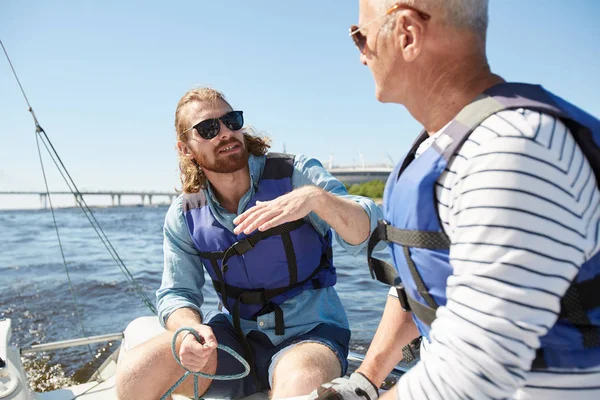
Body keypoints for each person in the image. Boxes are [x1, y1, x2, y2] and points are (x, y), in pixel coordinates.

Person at [310, 1, 600, 399]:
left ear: (407, 34)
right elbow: (421, 287)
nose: (361, 55)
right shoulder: (444, 146)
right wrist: (362, 383)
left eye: (360, 36)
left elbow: (477, 372)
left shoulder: (511, 151)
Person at [114, 87, 382, 400]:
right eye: (208, 128)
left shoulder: (297, 174)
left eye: (232, 121)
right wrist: (188, 329)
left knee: (299, 383)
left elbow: (365, 229)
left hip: (310, 334)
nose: (225, 133)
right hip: (232, 340)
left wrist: (317, 199)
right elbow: (177, 293)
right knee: (135, 373)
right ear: (185, 148)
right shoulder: (183, 214)